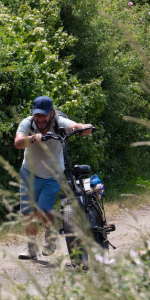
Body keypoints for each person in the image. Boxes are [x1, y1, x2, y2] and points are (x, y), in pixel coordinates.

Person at [14, 96, 92, 260]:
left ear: (52, 113)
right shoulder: (28, 123)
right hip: (29, 172)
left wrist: (84, 128)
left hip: (52, 175)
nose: (40, 119)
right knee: (29, 213)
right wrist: (32, 138)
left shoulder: (59, 121)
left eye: (43, 115)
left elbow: (74, 126)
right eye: (37, 115)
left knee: (43, 210)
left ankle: (50, 238)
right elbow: (18, 142)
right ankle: (31, 248)